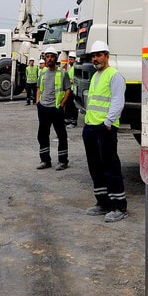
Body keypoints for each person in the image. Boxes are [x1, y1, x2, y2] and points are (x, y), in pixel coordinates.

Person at [82, 40, 127, 222]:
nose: (95, 58)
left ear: (107, 56)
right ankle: (103, 202)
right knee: (95, 167)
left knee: (110, 167)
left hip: (104, 128)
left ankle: (119, 206)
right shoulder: (95, 76)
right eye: (93, 55)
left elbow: (118, 101)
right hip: (91, 127)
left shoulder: (114, 76)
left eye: (99, 55)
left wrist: (107, 122)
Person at [35, 50, 71, 170]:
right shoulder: (43, 73)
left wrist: (62, 104)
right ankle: (45, 160)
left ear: (56, 58)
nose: (49, 59)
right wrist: (38, 102)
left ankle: (63, 161)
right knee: (42, 135)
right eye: (47, 57)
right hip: (43, 108)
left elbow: (68, 89)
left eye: (52, 57)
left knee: (61, 135)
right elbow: (39, 88)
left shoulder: (62, 73)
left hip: (56, 109)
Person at [62, 54, 79, 128]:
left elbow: (75, 79)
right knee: (68, 105)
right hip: (70, 90)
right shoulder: (71, 68)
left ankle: (73, 122)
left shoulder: (75, 68)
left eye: (72, 59)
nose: (70, 60)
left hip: (73, 90)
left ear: (75, 60)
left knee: (73, 106)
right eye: (69, 59)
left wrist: (68, 81)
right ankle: (67, 121)